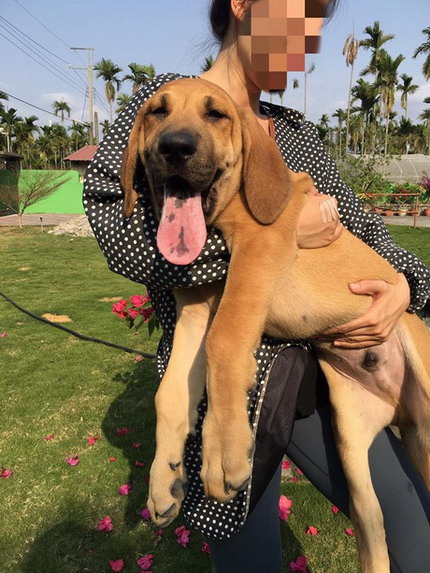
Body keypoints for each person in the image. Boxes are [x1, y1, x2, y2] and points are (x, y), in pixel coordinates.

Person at [83, 1, 430, 571]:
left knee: (413, 532)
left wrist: (406, 285)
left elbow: (365, 228)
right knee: (249, 557)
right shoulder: (161, 104)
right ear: (243, 6)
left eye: (313, 33)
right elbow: (113, 220)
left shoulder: (294, 132)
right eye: (296, 22)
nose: (306, 45)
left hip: (323, 373)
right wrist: (274, 234)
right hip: (223, 391)